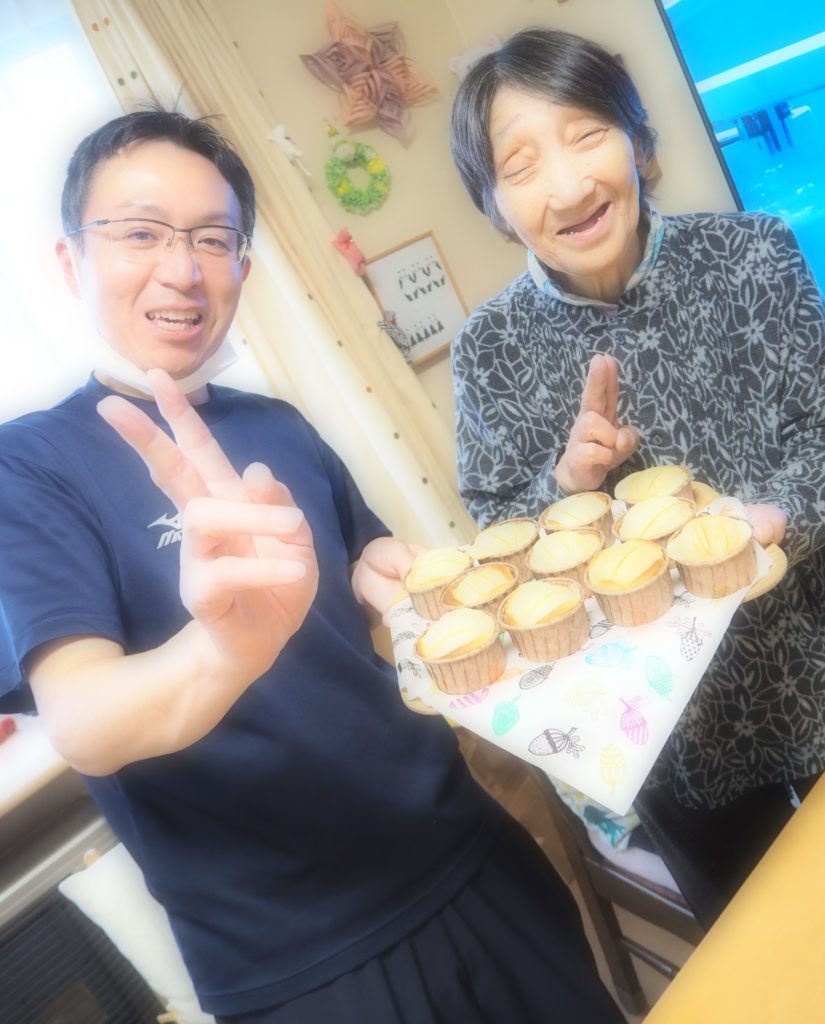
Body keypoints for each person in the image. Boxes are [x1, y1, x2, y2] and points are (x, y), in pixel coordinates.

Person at [0, 109, 624, 1023]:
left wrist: (380, 575)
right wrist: (224, 650)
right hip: (304, 961)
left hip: (470, 850)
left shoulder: (277, 423)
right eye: (140, 233)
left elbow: (360, 559)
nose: (182, 269)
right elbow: (85, 721)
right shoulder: (28, 466)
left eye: (212, 239)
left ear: (242, 268)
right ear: (71, 260)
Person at [449, 28, 825, 926]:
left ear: (639, 142)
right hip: (667, 732)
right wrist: (565, 487)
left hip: (811, 648)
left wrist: (777, 517)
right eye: (520, 165)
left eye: (586, 135)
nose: (566, 186)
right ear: (494, 204)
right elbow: (498, 543)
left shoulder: (752, 252)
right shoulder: (488, 348)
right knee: (765, 945)